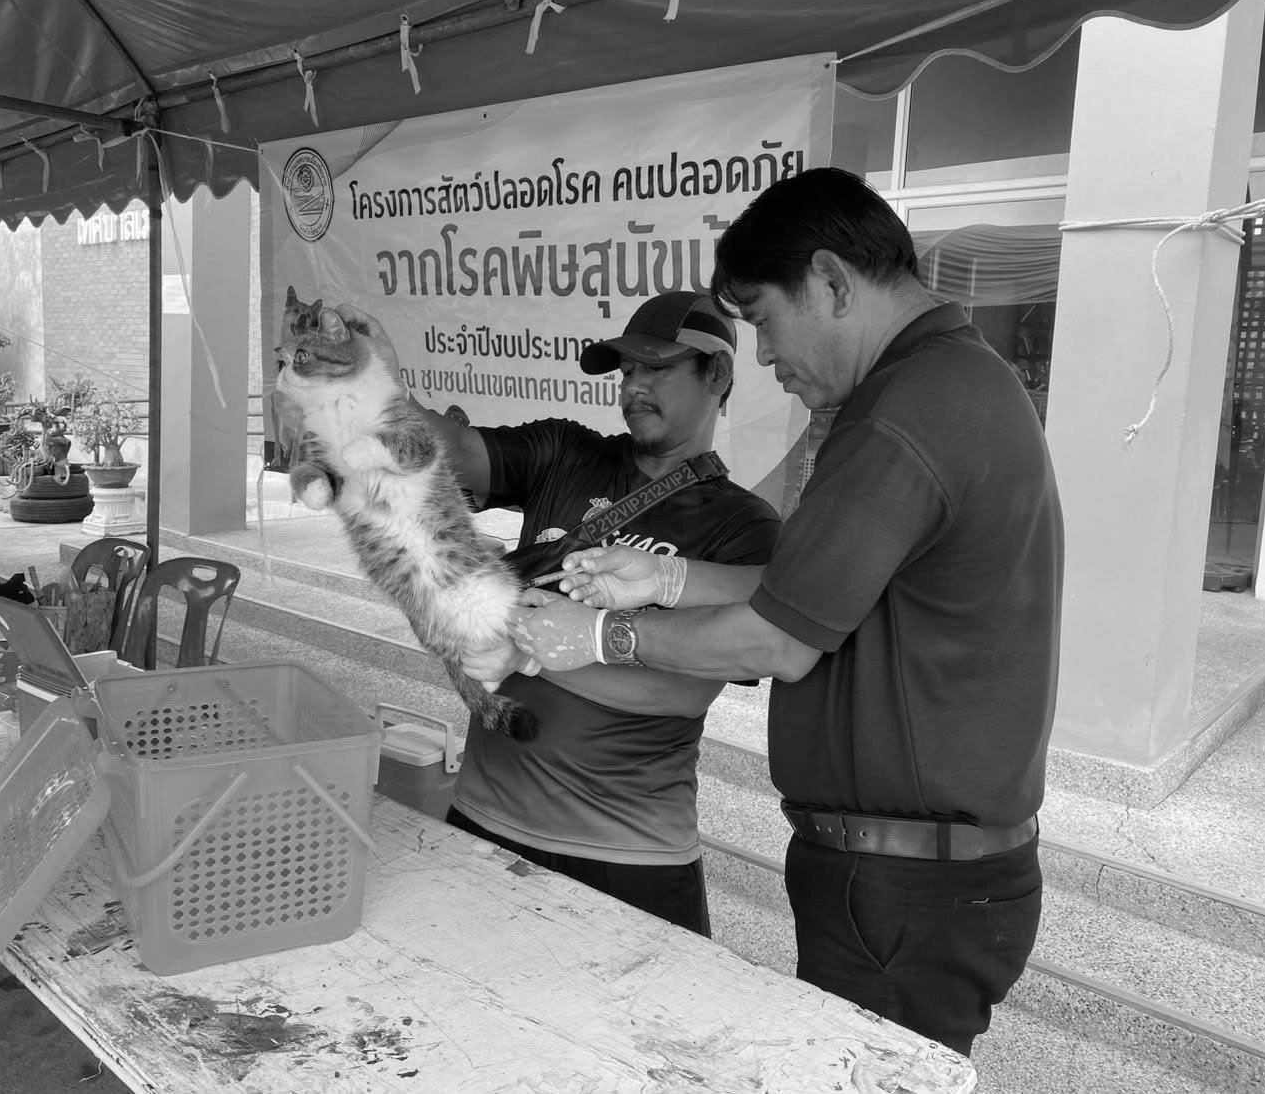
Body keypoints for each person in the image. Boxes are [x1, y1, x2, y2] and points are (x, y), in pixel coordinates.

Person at [501, 167, 1064, 1056]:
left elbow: (777, 640)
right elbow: (816, 589)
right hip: (909, 875)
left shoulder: (905, 413)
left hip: (907, 884)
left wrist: (601, 633)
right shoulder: (942, 386)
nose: (764, 355)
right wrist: (667, 579)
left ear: (831, 281)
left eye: (763, 317)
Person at [407, 291, 781, 936]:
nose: (634, 386)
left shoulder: (744, 525)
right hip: (483, 818)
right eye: (626, 371)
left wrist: (535, 643)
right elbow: (455, 451)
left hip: (628, 851)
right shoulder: (566, 452)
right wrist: (374, 386)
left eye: (656, 368)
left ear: (717, 374)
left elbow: (684, 690)